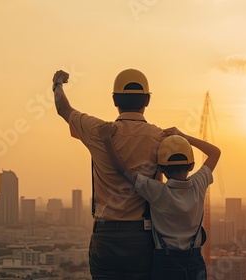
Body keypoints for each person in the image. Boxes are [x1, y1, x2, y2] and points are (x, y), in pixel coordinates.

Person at [52, 69, 164, 279]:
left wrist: (58, 83)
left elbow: (63, 108)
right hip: (141, 236)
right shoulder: (160, 137)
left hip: (105, 235)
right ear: (147, 100)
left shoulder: (98, 131)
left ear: (115, 100)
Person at [99, 124, 221, 280]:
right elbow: (215, 152)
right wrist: (185, 137)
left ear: (161, 170)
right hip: (195, 262)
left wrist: (106, 139)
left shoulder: (156, 191)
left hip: (166, 263)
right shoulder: (199, 184)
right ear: (191, 165)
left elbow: (122, 170)